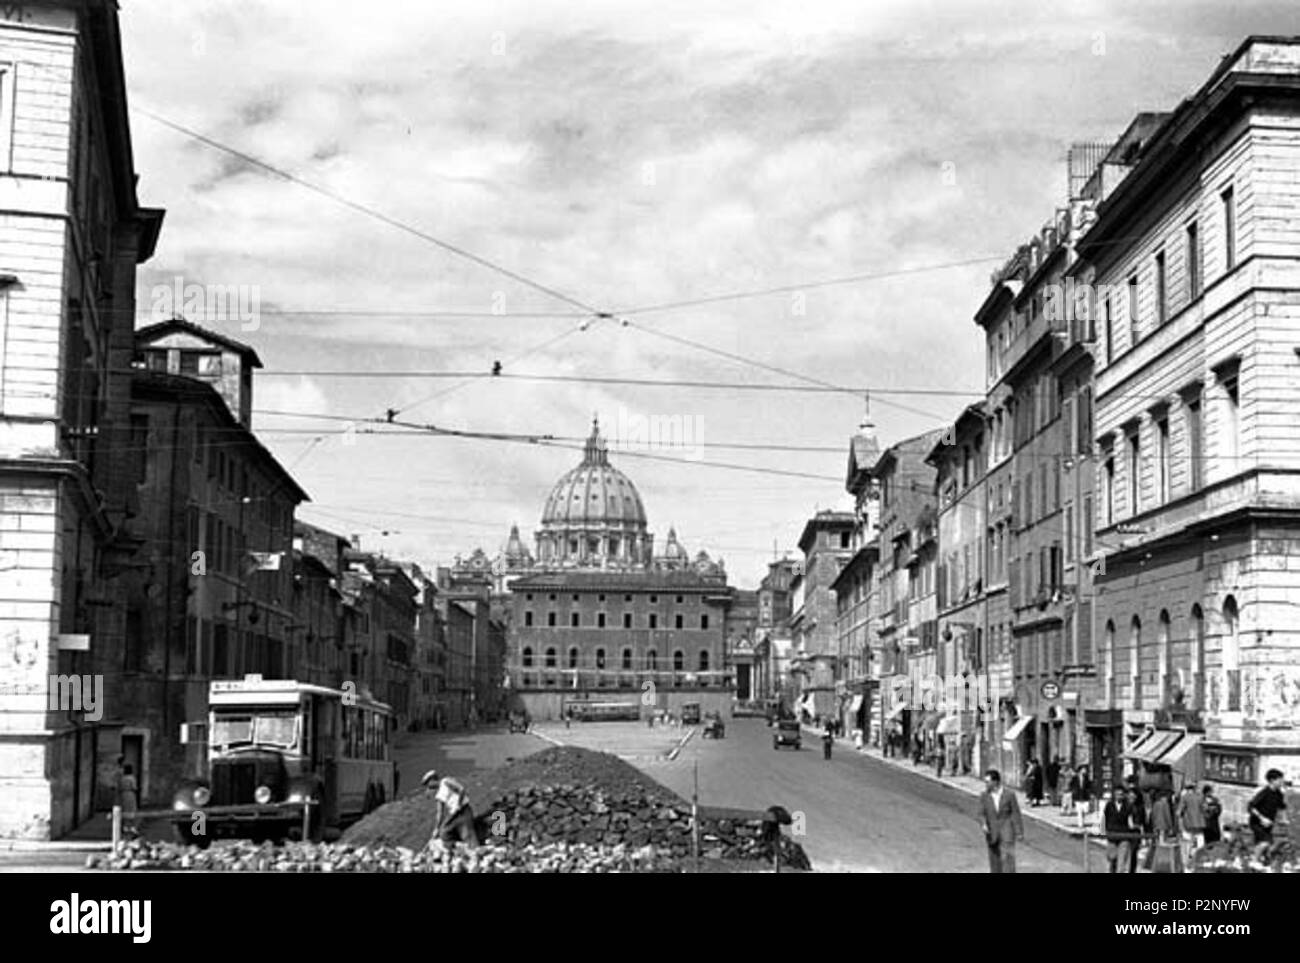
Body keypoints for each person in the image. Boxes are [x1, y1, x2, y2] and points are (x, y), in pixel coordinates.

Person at [979, 769, 1023, 873]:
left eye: (987, 782)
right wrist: (983, 823)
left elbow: (1015, 813)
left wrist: (1019, 832)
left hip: (1006, 830)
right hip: (992, 832)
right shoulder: (984, 796)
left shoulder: (1009, 795)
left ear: (995, 782)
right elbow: (980, 813)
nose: (986, 784)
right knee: (994, 860)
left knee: (1008, 858)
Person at [1248, 769, 1288, 859]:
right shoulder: (1264, 793)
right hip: (1257, 823)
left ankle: (1261, 861)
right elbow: (1251, 807)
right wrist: (1262, 818)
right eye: (1280, 780)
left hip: (1269, 824)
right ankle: (1254, 861)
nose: (1282, 782)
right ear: (1272, 780)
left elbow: (1282, 807)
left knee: (1266, 844)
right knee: (1265, 842)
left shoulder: (1279, 793)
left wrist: (1284, 819)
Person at [1147, 789, 1181, 873]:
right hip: (1164, 825)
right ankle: (1161, 861)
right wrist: (1171, 826)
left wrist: (1153, 825)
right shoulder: (1165, 804)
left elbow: (1153, 815)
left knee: (1156, 842)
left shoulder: (1155, 804)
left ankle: (1152, 861)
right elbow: (1167, 815)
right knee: (1162, 844)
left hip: (1156, 826)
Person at [1103, 789, 1134, 873]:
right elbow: (1105, 818)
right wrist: (1105, 831)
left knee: (1122, 861)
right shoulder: (1109, 805)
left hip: (1124, 835)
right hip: (1112, 835)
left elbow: (1130, 820)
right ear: (1114, 795)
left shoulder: (1128, 806)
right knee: (1111, 857)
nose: (1119, 796)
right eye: (1117, 794)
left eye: (1121, 794)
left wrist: (1131, 829)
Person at [1177, 783, 1206, 871]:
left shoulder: (1185, 797)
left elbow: (1179, 812)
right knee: (1200, 840)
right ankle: (1200, 859)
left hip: (1188, 823)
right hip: (1199, 822)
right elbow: (1205, 808)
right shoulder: (1201, 797)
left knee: (1187, 842)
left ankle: (1188, 864)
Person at [118, 763, 139, 839]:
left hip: (123, 794)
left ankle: (125, 826)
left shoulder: (122, 778)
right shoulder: (132, 778)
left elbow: (119, 787)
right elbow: (134, 787)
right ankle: (132, 827)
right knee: (131, 809)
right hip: (130, 794)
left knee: (124, 809)